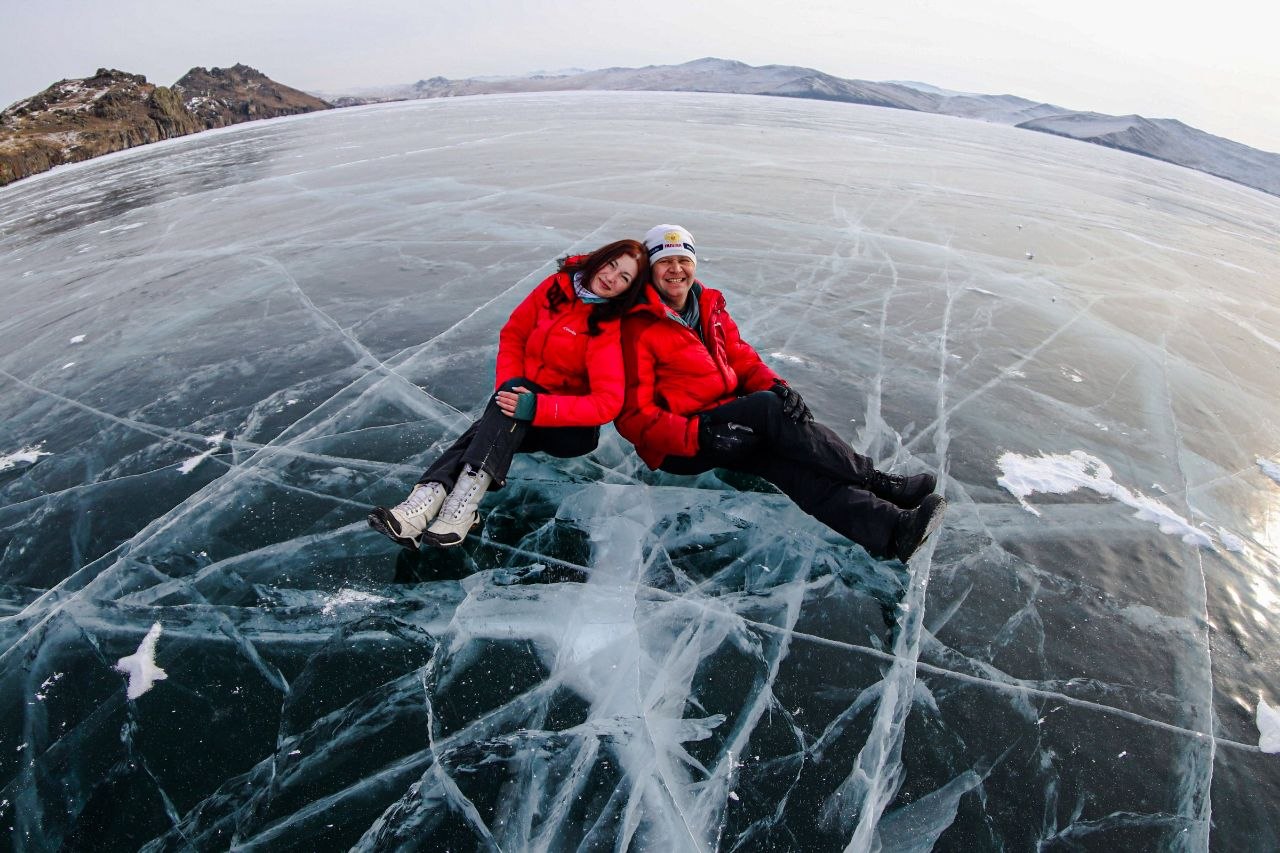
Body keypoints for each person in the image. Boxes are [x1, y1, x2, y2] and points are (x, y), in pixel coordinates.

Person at [615, 225, 947, 562]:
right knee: (767, 408)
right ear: (649, 267)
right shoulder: (635, 326)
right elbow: (631, 416)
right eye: (664, 260)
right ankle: (876, 480)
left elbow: (742, 358)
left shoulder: (709, 306)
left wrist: (775, 384)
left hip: (728, 419)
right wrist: (700, 434)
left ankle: (892, 530)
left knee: (792, 464)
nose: (676, 269)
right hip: (682, 444)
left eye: (683, 259)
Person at [369, 239, 648, 549]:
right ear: (600, 259)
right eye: (612, 265)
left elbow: (607, 404)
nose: (611, 278)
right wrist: (510, 384)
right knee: (502, 411)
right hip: (523, 408)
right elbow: (514, 333)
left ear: (627, 291)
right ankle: (426, 510)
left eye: (624, 278)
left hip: (570, 431)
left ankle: (441, 505)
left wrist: (536, 407)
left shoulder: (606, 326)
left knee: (501, 414)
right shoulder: (556, 287)